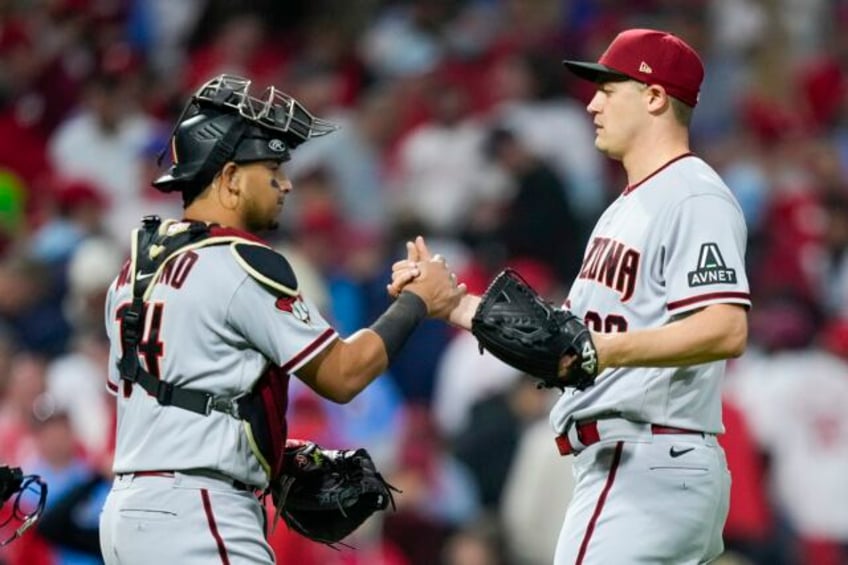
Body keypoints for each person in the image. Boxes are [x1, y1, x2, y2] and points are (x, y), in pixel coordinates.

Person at [391, 29, 751, 564]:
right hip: (636, 460)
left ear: (654, 97)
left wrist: (600, 350)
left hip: (645, 459)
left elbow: (725, 328)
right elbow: (561, 345)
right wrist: (456, 306)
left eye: (609, 88)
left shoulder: (692, 194)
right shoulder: (625, 207)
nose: (592, 102)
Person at [99, 74, 464, 564]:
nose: (286, 182)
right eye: (270, 166)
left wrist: (264, 446)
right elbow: (342, 374)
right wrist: (419, 300)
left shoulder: (134, 269)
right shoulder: (240, 260)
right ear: (229, 178)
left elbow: (160, 401)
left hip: (127, 514)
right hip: (201, 512)